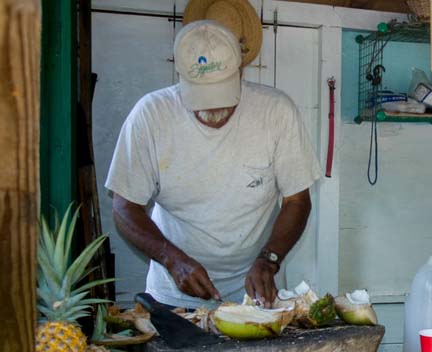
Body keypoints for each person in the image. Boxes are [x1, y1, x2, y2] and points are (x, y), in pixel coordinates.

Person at [105, 19, 321, 309]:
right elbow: (124, 206)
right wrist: (172, 259)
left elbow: (297, 200)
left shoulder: (276, 112)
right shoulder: (151, 116)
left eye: (223, 95)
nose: (213, 108)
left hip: (255, 293)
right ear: (180, 76)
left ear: (240, 71)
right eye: (202, 97)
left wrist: (269, 260)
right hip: (174, 295)